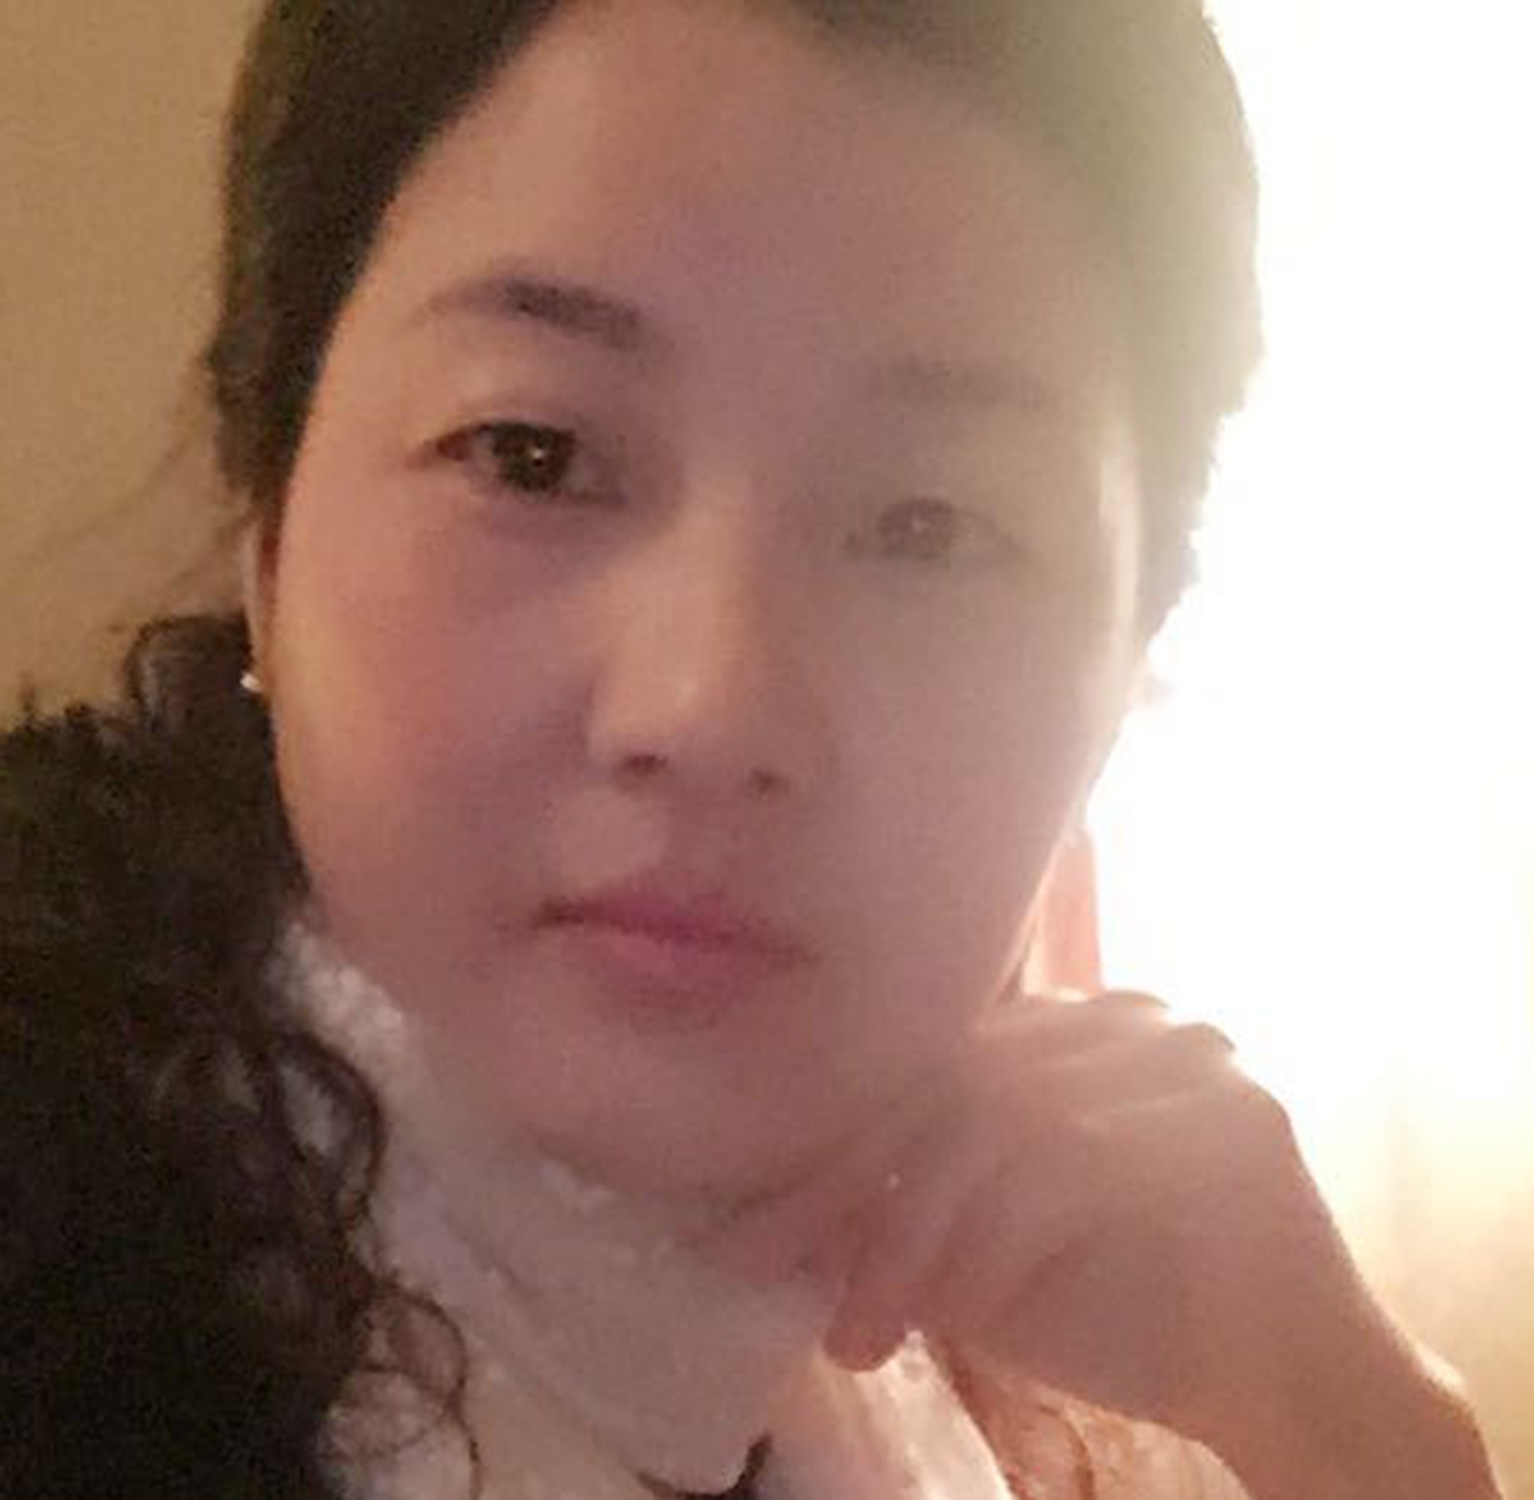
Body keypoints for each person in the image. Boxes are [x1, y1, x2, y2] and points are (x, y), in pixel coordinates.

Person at [0, 2, 1505, 1497]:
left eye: (930, 528)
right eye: (534, 455)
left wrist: (1354, 1424)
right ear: (267, 528)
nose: (707, 708)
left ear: (1131, 650)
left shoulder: (1055, 1357)